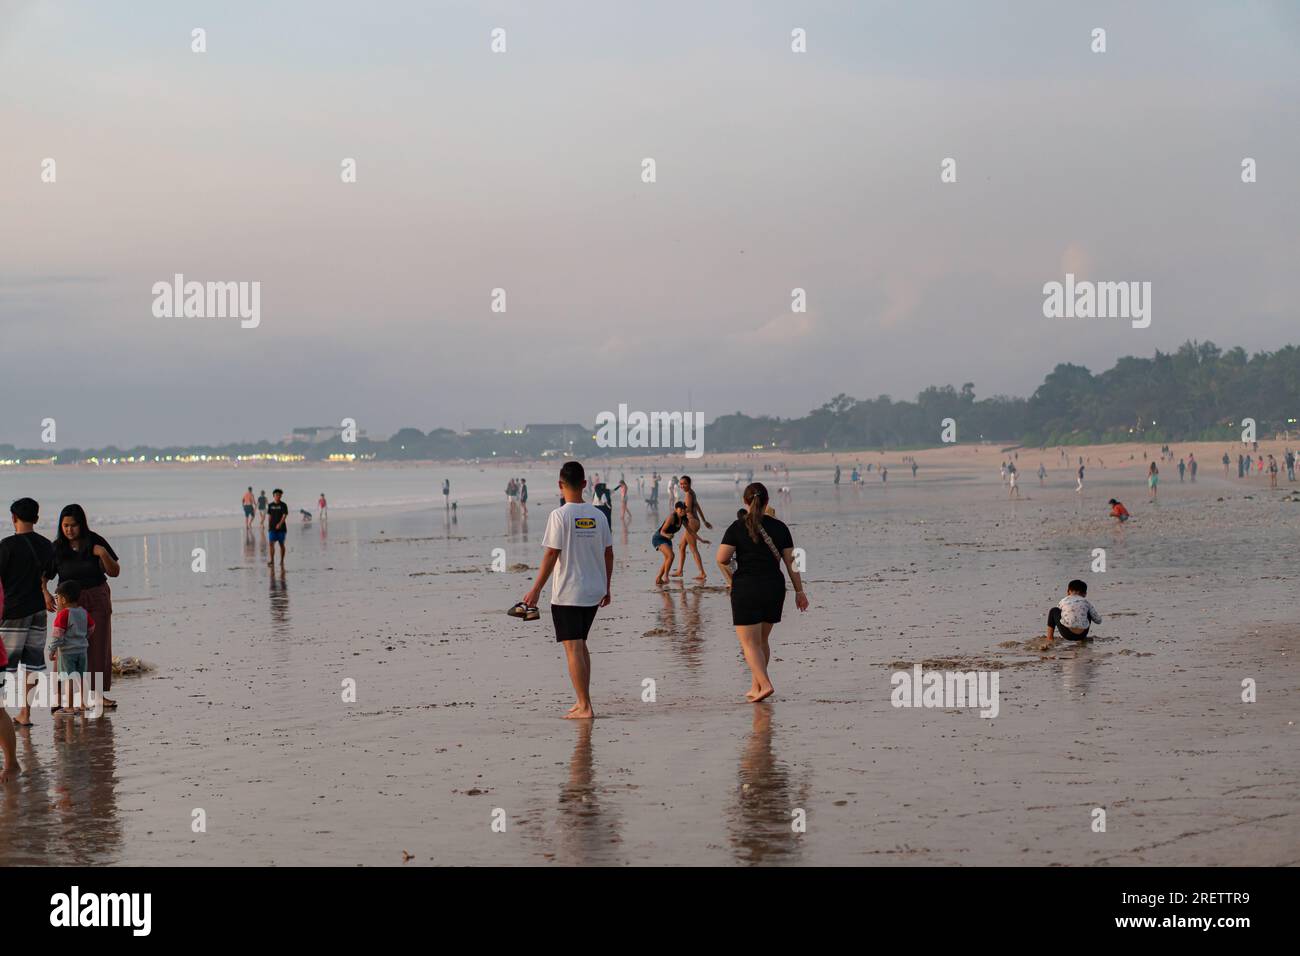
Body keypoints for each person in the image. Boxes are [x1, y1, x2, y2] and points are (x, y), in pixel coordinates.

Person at [520, 461, 613, 720]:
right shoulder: (599, 515)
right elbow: (608, 553)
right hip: (593, 591)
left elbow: (552, 554)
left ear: (560, 485)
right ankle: (583, 700)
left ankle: (585, 706)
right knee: (580, 645)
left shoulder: (559, 515)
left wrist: (536, 589)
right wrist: (606, 586)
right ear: (584, 484)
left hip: (569, 593)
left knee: (573, 648)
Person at [715, 483, 808, 702]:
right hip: (774, 587)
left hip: (747, 588)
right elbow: (791, 562)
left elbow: (721, 558)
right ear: (767, 502)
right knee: (762, 640)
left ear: (745, 502)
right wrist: (799, 591)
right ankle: (756, 686)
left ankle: (765, 684)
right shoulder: (780, 527)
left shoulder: (737, 527)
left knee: (749, 644)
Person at [43, 504, 120, 710]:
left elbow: (115, 571)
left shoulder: (95, 541)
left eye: (74, 525)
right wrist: (46, 594)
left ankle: (97, 695)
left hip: (96, 596)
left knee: (98, 646)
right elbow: (44, 575)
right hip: (67, 603)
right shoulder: (57, 547)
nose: (69, 530)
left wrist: (102, 554)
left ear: (82, 525)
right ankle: (61, 698)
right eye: (65, 525)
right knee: (64, 648)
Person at [1, 498, 56, 730]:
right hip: (37, 611)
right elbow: (49, 574)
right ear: (36, 518)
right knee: (32, 664)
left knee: (4, 666)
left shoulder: (6, 546)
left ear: (13, 517)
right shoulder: (46, 545)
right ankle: (25, 713)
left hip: (13, 612)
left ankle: (1, 712)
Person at [48, 580, 94, 716]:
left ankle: (69, 706)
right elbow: (92, 627)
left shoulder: (63, 614)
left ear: (63, 599)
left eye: (57, 598)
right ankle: (83, 704)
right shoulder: (83, 612)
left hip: (67, 652)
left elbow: (57, 635)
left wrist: (51, 650)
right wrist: (84, 637)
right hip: (82, 651)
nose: (57, 601)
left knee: (68, 678)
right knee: (81, 678)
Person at [672, 476, 713, 581]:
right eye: (681, 484)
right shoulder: (691, 493)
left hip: (692, 523)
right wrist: (704, 521)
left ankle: (702, 573)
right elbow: (697, 507)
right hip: (695, 522)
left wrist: (677, 513)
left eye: (684, 483)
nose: (682, 486)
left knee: (693, 549)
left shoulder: (689, 494)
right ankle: (680, 571)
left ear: (689, 484)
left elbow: (689, 509)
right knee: (681, 546)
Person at [652, 503, 689, 587]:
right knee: (671, 556)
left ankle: (659, 578)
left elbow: (690, 531)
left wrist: (701, 539)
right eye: (680, 509)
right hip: (659, 538)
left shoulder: (683, 519)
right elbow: (662, 531)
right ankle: (666, 576)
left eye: (684, 509)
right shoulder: (671, 517)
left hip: (667, 539)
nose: (682, 510)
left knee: (668, 559)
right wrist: (668, 536)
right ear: (676, 509)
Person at [266, 489, 288, 569]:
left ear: (281, 496)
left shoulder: (283, 505)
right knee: (271, 544)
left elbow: (284, 516)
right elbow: (269, 516)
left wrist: (280, 524)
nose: (278, 496)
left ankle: (282, 560)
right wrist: (269, 526)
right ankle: (272, 560)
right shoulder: (270, 505)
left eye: (279, 495)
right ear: (273, 496)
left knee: (281, 544)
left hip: (281, 528)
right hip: (272, 528)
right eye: (276, 495)